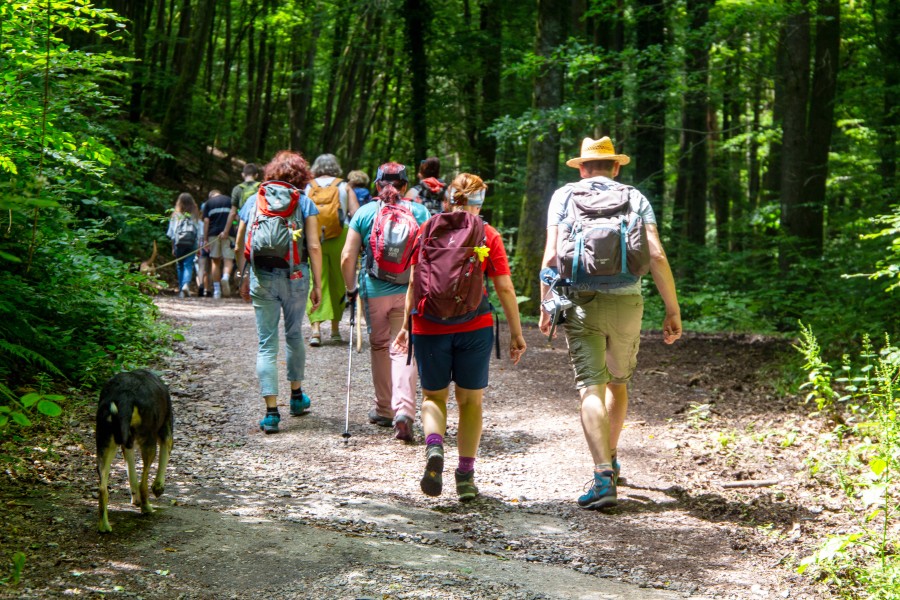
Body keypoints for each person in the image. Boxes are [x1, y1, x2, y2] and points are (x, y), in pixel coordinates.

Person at [538, 136, 682, 509]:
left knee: (590, 388)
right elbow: (656, 254)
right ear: (616, 167)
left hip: (580, 301)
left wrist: (545, 304)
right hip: (627, 301)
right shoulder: (635, 197)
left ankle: (602, 475)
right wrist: (672, 309)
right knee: (618, 383)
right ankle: (613, 456)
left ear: (582, 167)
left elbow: (552, 255)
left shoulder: (564, 196)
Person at [393, 173, 527, 502]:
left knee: (433, 397)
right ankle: (465, 477)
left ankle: (435, 449)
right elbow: (504, 287)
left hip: (429, 325)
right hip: (474, 327)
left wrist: (405, 326)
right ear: (480, 201)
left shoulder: (426, 229)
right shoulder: (488, 234)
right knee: (470, 403)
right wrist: (516, 332)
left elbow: (414, 283)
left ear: (449, 198)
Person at [340, 162, 430, 441]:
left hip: (374, 289)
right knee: (404, 347)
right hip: (407, 289)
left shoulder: (366, 212)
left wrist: (351, 288)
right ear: (404, 186)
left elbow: (347, 257)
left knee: (380, 346)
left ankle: (384, 409)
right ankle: (404, 410)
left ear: (378, 186)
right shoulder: (420, 211)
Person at [238, 150, 323, 434]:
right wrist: (318, 284)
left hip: (261, 276)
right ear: (301, 176)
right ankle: (297, 397)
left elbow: (240, 244)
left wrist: (242, 276)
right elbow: (313, 247)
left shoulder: (254, 200)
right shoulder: (305, 203)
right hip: (296, 276)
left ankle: (271, 413)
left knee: (266, 344)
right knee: (295, 334)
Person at [305, 154, 359, 346]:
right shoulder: (344, 186)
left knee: (316, 279)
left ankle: (316, 330)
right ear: (336, 167)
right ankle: (335, 330)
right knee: (339, 280)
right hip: (340, 236)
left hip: (314, 236)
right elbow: (356, 214)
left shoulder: (308, 187)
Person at [203, 189, 236, 298]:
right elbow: (235, 217)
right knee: (228, 259)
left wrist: (205, 239)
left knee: (215, 261)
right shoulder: (230, 200)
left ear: (211, 196)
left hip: (213, 234)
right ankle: (225, 277)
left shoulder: (208, 203)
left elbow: (206, 221)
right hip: (229, 234)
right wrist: (231, 229)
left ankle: (217, 291)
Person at [166, 192, 200, 298]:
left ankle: (181, 289)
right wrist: (198, 245)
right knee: (188, 265)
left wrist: (173, 247)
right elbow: (198, 231)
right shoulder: (195, 214)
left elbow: (171, 233)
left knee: (180, 266)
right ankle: (186, 284)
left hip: (179, 243)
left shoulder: (175, 215)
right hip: (192, 243)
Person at [229, 163, 261, 277]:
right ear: (256, 175)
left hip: (242, 225)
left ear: (243, 174)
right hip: (259, 225)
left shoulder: (238, 189)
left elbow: (233, 212)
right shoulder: (261, 187)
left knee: (242, 252)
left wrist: (230, 228)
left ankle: (243, 277)